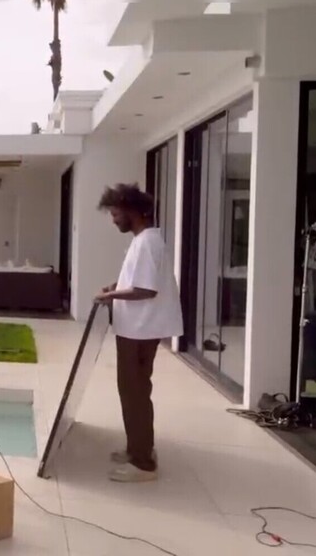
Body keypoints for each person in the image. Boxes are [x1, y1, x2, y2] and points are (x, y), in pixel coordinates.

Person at [95, 183, 182, 483]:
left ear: (131, 211)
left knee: (134, 394)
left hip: (139, 330)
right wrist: (116, 286)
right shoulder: (145, 240)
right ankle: (138, 449)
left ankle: (143, 464)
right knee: (135, 392)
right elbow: (137, 280)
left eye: (115, 214)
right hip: (137, 328)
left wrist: (110, 296)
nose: (113, 220)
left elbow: (145, 289)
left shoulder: (146, 242)